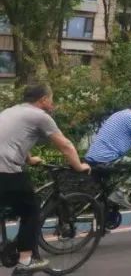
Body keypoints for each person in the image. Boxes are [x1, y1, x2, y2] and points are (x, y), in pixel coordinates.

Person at [0, 84, 90, 274]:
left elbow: (12, 140)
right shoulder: (40, 116)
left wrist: (29, 159)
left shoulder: (12, 111)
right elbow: (65, 145)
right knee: (31, 211)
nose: (52, 103)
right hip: (5, 170)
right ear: (43, 100)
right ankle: (26, 261)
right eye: (52, 99)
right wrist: (79, 166)